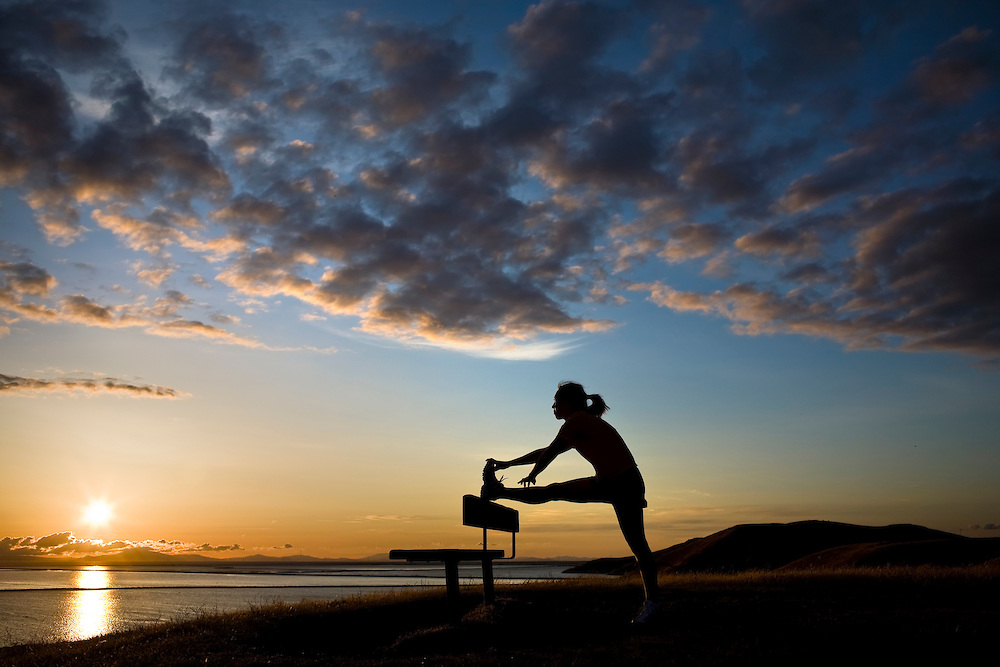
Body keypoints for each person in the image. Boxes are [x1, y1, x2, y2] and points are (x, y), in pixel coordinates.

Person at [482, 381, 661, 624]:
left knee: (639, 547)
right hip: (612, 481)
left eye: (556, 401)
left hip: (623, 483)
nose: (553, 406)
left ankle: (653, 605)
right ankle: (498, 491)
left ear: (568, 403)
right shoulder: (579, 423)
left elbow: (549, 453)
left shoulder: (577, 421)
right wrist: (509, 463)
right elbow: (545, 451)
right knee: (554, 492)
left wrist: (534, 473)